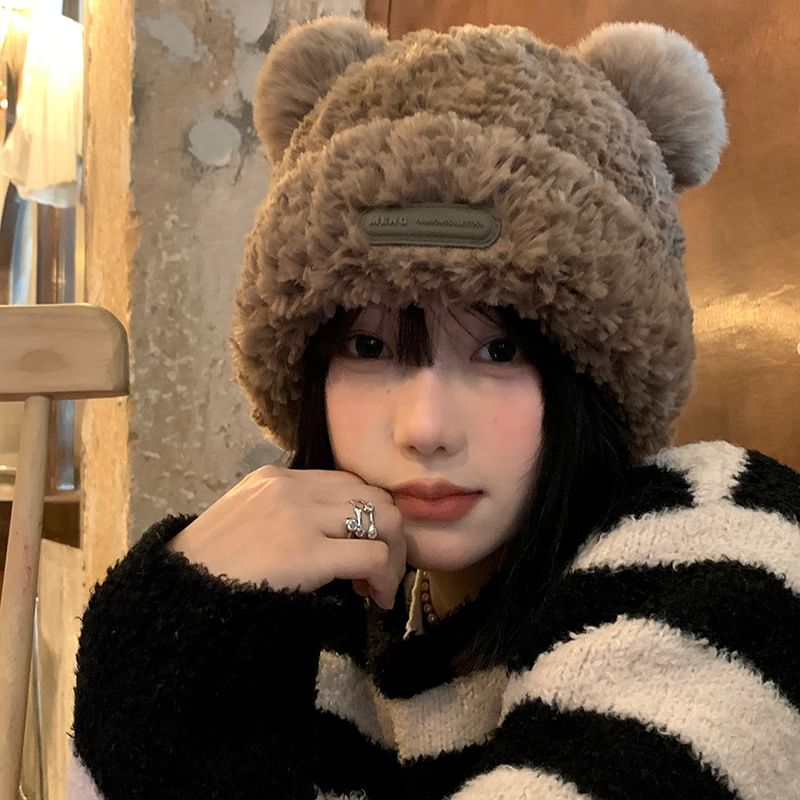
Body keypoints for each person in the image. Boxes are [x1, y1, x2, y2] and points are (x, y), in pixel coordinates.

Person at [68, 15, 800, 800]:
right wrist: (175, 624)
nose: (424, 429)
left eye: (500, 352)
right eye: (369, 347)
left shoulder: (722, 553)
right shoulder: (335, 621)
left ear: (595, 373)